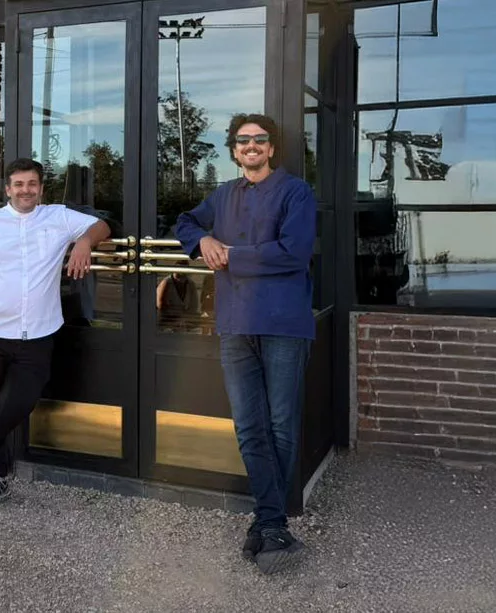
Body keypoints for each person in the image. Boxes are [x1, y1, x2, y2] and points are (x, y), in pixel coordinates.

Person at [175, 113, 317, 575]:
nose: (251, 146)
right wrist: (202, 240)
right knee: (249, 427)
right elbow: (183, 222)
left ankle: (270, 521)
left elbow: (293, 252)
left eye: (259, 139)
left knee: (280, 425)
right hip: (235, 324)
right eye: (242, 140)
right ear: (234, 150)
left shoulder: (296, 192)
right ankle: (272, 522)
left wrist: (230, 255)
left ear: (271, 148)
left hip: (284, 325)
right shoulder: (223, 195)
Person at [0, 158, 111, 507]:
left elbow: (101, 226)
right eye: (18, 184)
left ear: (41, 188)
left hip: (37, 334)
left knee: (18, 402)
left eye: (32, 184)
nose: (25, 190)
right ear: (8, 189)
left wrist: (84, 242)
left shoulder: (58, 217)